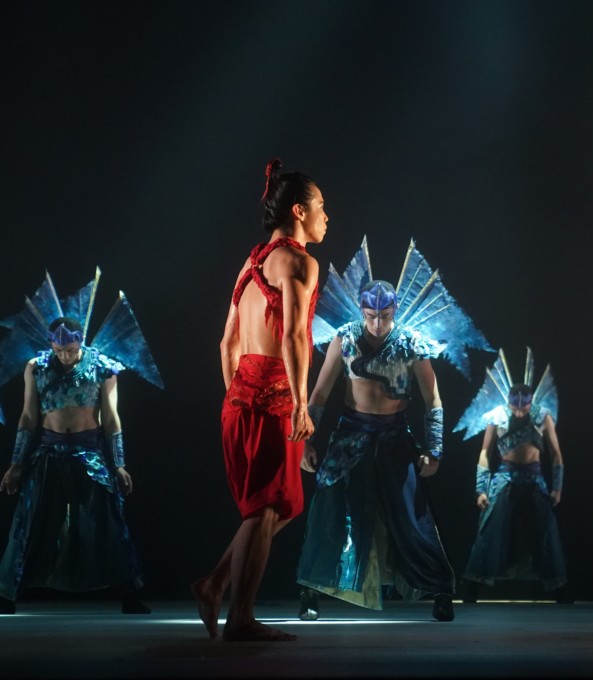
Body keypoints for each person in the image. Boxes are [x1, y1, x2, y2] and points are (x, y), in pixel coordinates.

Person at [295, 236, 491, 622]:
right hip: (350, 436)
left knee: (411, 515)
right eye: (371, 316)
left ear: (395, 312)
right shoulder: (344, 338)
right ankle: (310, 591)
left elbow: (433, 399)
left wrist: (434, 449)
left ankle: (439, 591)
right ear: (362, 310)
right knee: (330, 510)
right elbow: (318, 394)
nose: (378, 323)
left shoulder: (412, 344)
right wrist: (307, 442)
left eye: (385, 316)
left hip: (394, 436)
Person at [190, 158, 326, 642]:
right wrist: (301, 403)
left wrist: (237, 395)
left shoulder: (249, 264)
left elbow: (226, 344)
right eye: (321, 208)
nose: (327, 218)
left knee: (277, 506)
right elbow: (293, 337)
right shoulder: (299, 262)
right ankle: (239, 615)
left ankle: (215, 585)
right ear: (298, 211)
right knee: (270, 506)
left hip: (240, 396)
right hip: (273, 395)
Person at [0, 267, 164, 615]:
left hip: (90, 452)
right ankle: (6, 594)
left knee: (108, 523)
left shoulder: (103, 367)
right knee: (29, 522)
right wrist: (16, 464)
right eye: (59, 350)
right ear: (51, 344)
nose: (65, 356)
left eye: (71, 350)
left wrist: (118, 464)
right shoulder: (37, 367)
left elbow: (111, 418)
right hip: (47, 452)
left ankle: (129, 594)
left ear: (80, 343)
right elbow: (29, 416)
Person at [454, 349, 569, 602]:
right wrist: (481, 489)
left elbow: (556, 453)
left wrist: (557, 488)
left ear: (530, 402)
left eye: (523, 405)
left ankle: (559, 588)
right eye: (514, 405)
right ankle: (472, 585)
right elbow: (485, 453)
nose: (518, 411)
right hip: (504, 476)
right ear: (508, 401)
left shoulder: (542, 415)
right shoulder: (496, 416)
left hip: (535, 477)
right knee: (488, 529)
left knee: (546, 529)